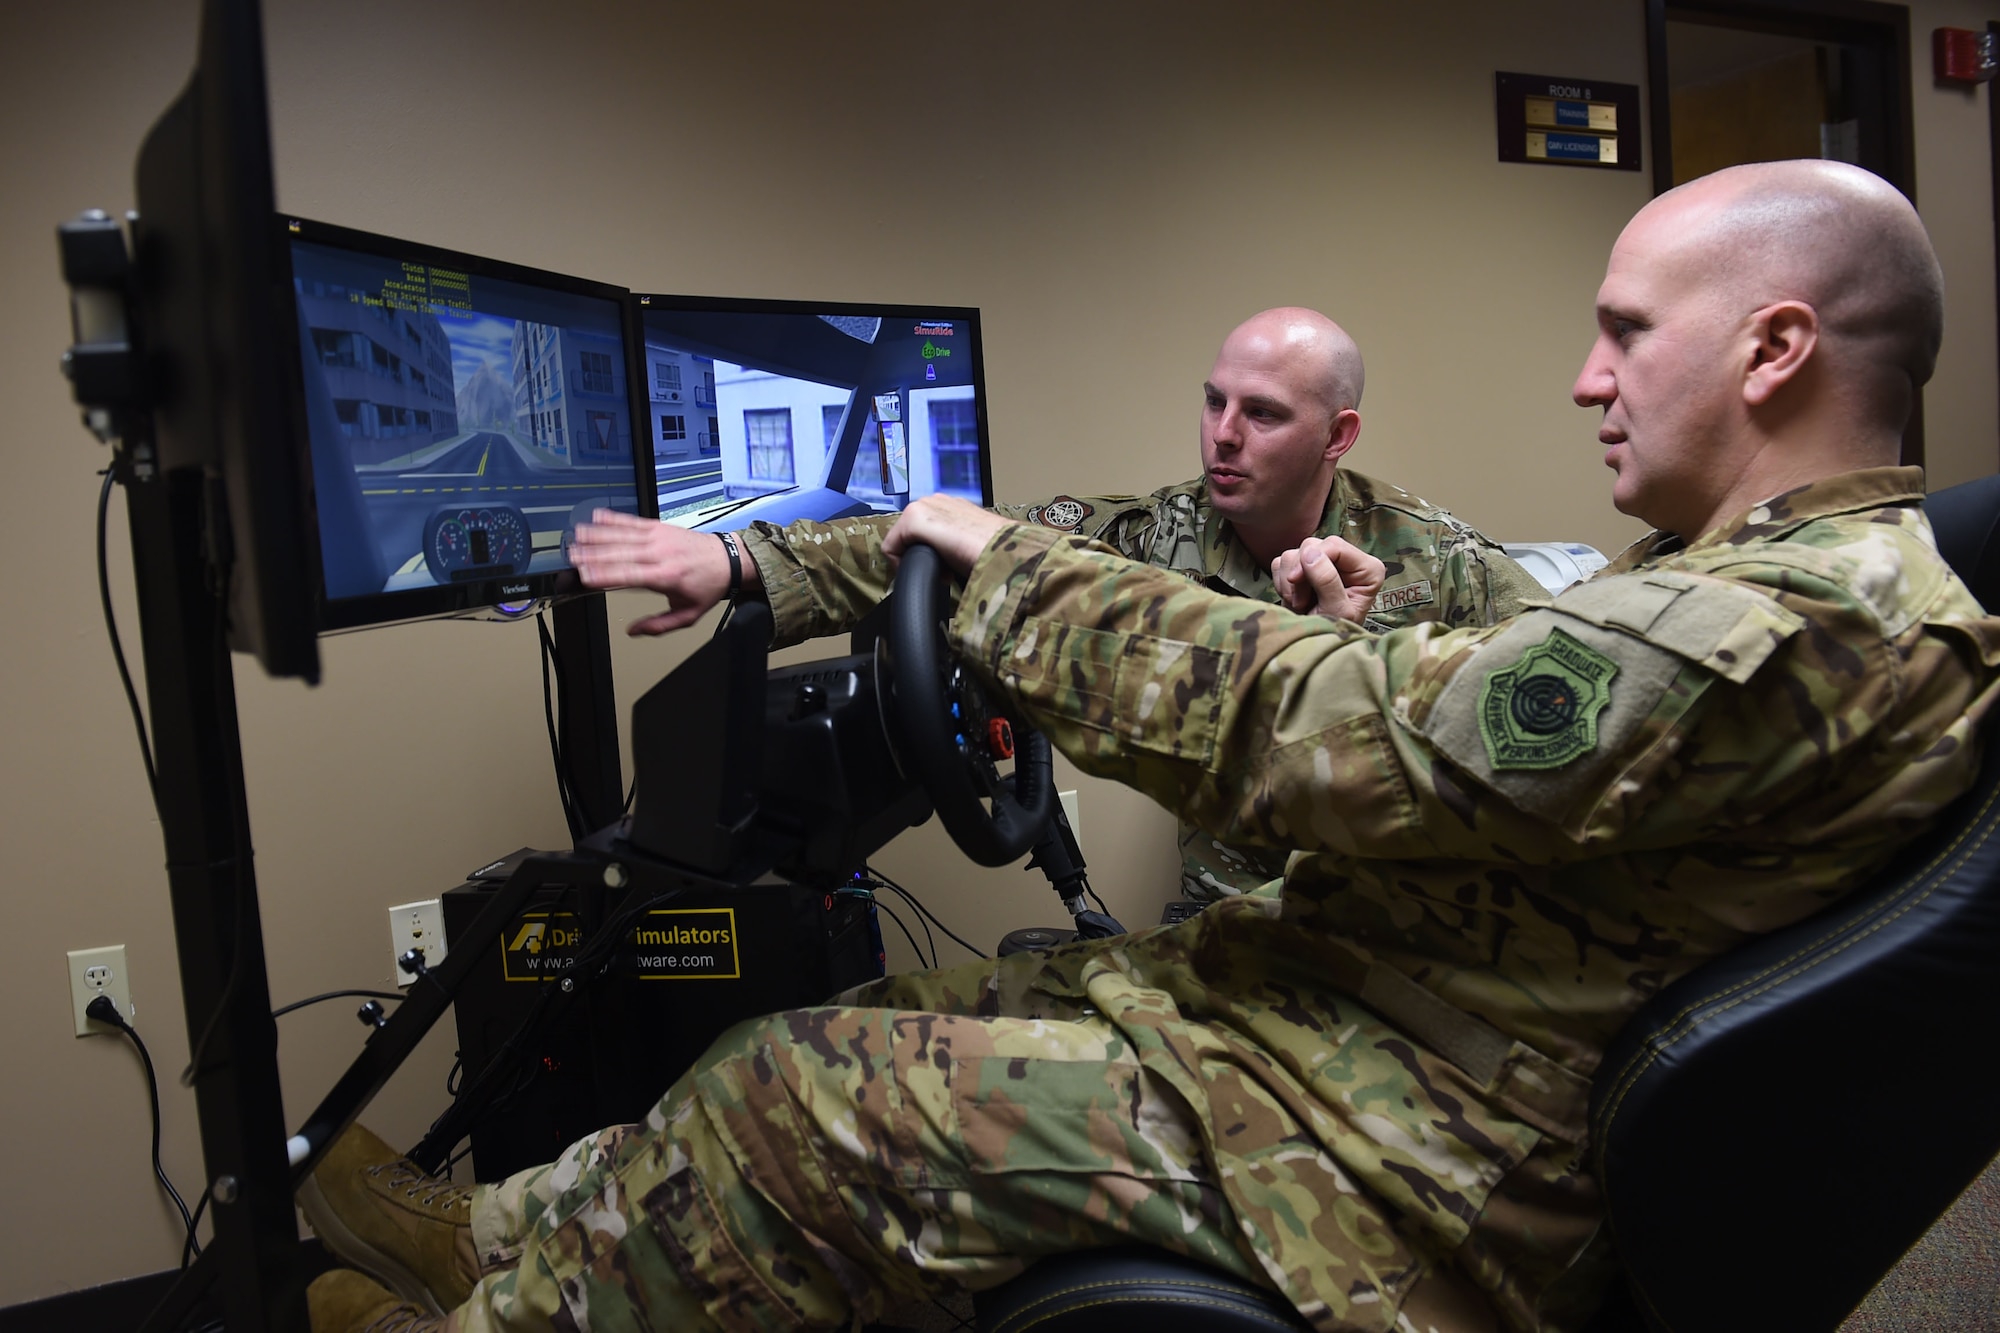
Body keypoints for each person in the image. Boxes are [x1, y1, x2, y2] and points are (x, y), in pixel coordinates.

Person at [301, 160, 1997, 1333]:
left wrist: (1024, 581)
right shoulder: (1758, 588)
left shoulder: (1792, 622)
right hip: (1369, 1015)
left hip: (1412, 1153)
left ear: (1777, 346)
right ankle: (508, 1236)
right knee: (893, 1005)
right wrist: (768, 560)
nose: (1584, 377)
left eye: (1625, 331)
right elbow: (1480, 741)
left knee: (805, 1090)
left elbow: (1325, 737)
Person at [575, 305, 1548, 901]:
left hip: (1372, 930)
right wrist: (739, 560)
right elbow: (951, 536)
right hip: (1213, 927)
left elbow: (1554, 717)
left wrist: (1359, 651)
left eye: (1259, 415)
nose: (1220, 435)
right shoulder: (1151, 537)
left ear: (1336, 435)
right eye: (1212, 401)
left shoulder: (1438, 563)